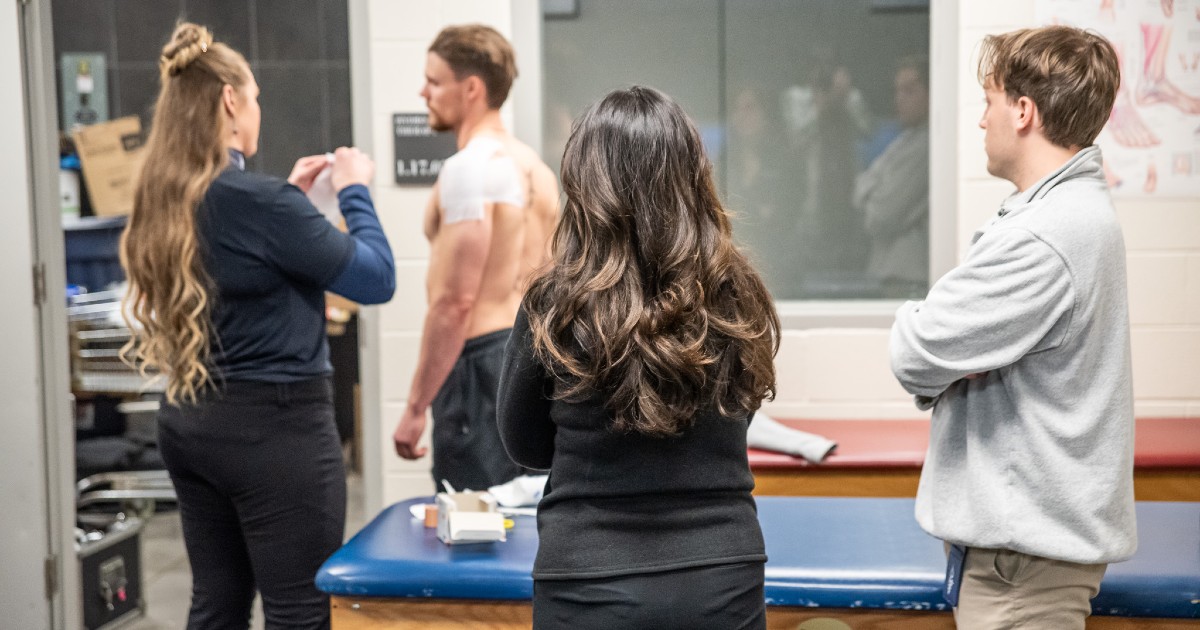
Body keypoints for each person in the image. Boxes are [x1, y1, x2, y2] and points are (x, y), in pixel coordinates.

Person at [120, 23, 394, 630]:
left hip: (191, 421)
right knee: (299, 611)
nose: (259, 109)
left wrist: (293, 201)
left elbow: (242, 261)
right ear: (229, 102)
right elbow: (377, 280)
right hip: (275, 432)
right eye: (257, 96)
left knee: (215, 606)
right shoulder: (264, 204)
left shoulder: (165, 197)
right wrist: (354, 193)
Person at [497, 86, 780, 630]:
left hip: (587, 580)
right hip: (720, 574)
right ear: (693, 178)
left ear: (585, 185)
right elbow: (738, 414)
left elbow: (525, 444)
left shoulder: (555, 302)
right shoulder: (734, 291)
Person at [889, 26, 1135, 629]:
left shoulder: (1045, 235)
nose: (981, 121)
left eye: (989, 102)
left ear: (1023, 111)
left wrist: (920, 327)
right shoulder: (1064, 214)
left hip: (1023, 574)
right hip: (1026, 560)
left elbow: (916, 350)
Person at [392, 24, 559, 492]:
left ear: (471, 89)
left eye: (434, 80)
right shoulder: (537, 170)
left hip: (482, 368)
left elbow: (455, 302)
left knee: (475, 532)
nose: (423, 92)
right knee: (525, 521)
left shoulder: (470, 170)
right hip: (535, 360)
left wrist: (414, 408)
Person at [855, 55, 930, 298]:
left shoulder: (928, 145)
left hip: (908, 279)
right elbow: (858, 188)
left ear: (931, 93)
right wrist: (871, 192)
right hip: (890, 276)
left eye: (909, 90)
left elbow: (882, 216)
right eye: (897, 91)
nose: (899, 99)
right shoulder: (904, 141)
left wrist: (870, 195)